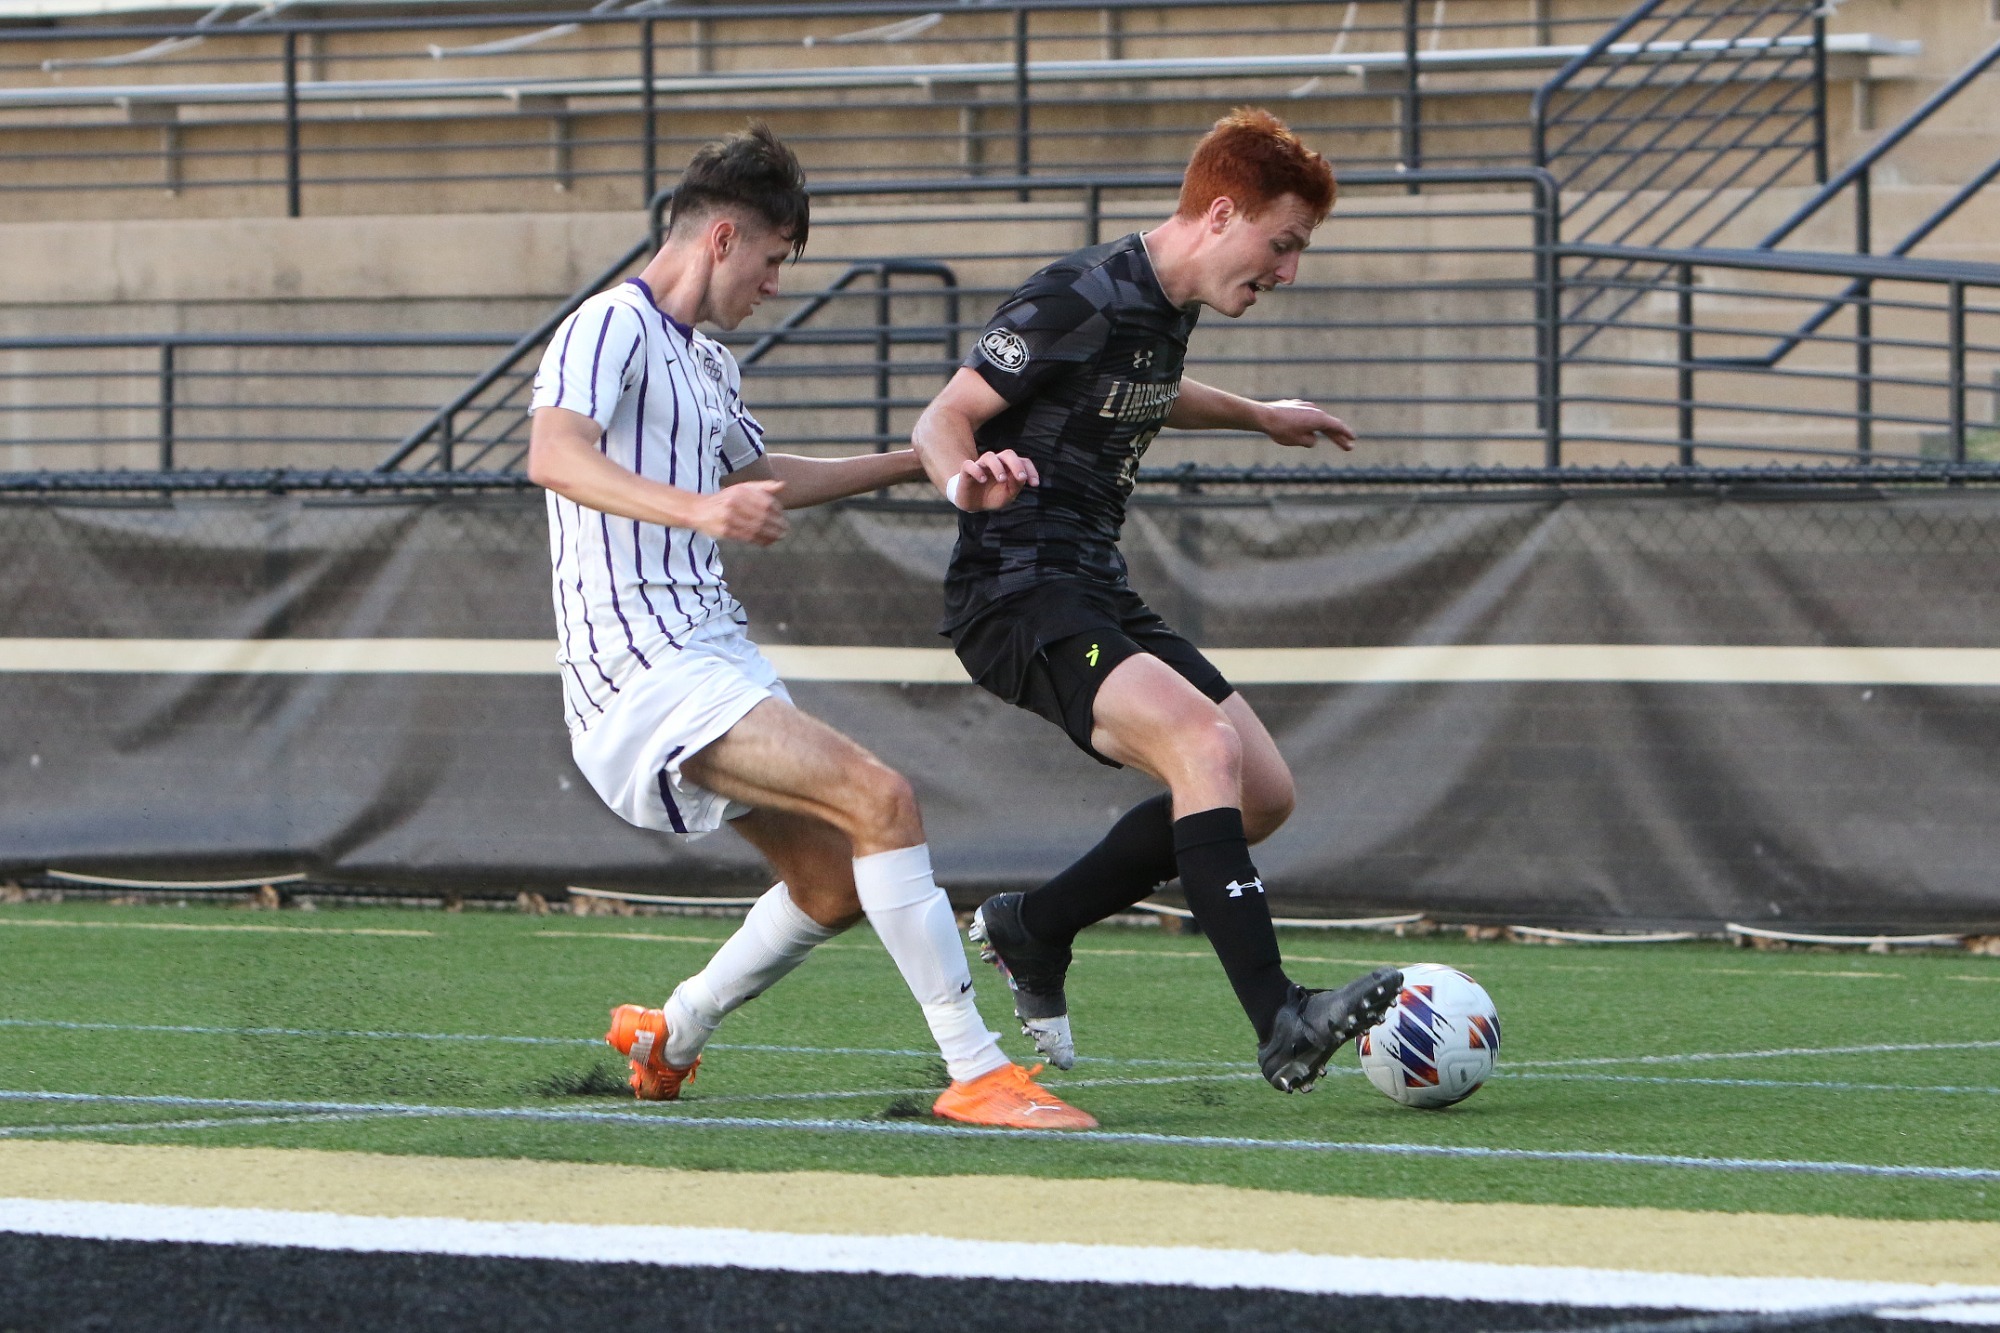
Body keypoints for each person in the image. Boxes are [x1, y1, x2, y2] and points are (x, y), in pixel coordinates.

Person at [527, 124, 1094, 1130]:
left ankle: (671, 1031)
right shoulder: (608, 325)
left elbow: (759, 478)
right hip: (641, 669)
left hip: (705, 653)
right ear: (722, 239)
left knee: (832, 879)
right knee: (882, 796)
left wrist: (927, 462)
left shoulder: (705, 363)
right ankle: (974, 1068)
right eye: (776, 260)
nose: (775, 284)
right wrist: (700, 511)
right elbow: (553, 456)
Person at [911, 108, 1401, 1093]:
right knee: (1201, 746)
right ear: (1222, 214)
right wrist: (963, 480)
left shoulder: (1164, 307)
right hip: (1016, 593)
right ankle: (1278, 1015)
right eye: (1283, 244)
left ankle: (1034, 923)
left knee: (1259, 792)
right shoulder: (1077, 294)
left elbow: (1148, 384)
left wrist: (1258, 414)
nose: (1287, 272)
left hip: (1092, 584)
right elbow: (944, 414)